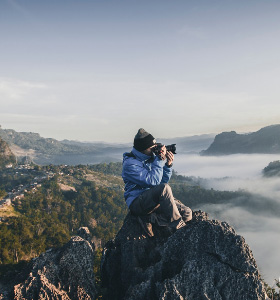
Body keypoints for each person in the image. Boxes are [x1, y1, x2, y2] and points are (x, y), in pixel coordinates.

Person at [122, 128, 192, 237]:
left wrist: (168, 165)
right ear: (143, 148)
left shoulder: (150, 158)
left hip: (153, 199)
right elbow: (153, 182)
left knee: (187, 213)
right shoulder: (130, 164)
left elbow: (161, 182)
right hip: (137, 202)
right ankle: (178, 227)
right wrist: (159, 160)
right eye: (152, 148)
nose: (154, 150)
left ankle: (152, 219)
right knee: (164, 188)